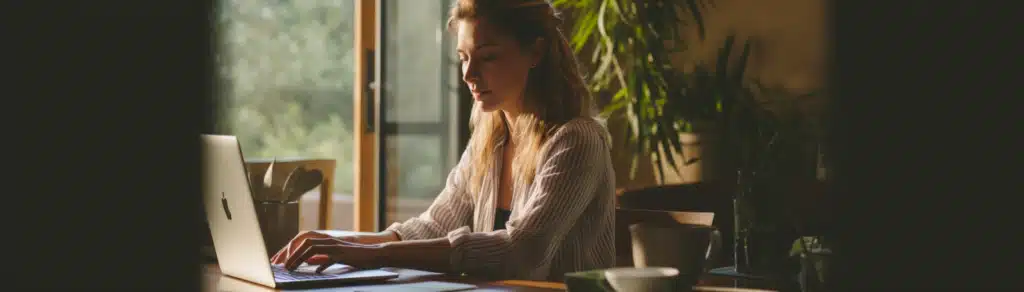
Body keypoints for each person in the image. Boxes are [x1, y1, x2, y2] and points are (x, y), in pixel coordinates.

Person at [270, 0, 616, 281]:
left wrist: (372, 254)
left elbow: (522, 252)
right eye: (464, 58)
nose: (468, 75)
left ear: (535, 53)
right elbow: (434, 225)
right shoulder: (491, 138)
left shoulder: (578, 140)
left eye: (488, 56)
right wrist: (343, 242)